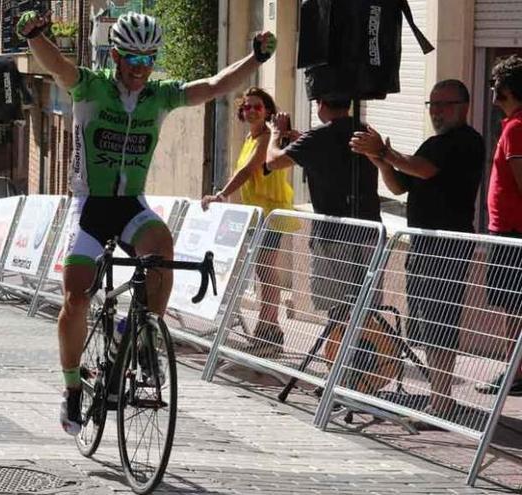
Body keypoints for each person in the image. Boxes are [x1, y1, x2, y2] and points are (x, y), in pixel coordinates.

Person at [16, 9, 277, 435]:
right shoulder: (91, 87)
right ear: (115, 56)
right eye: (133, 59)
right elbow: (58, 66)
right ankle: (71, 388)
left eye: (149, 59)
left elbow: (212, 87)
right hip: (90, 206)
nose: (141, 69)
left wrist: (256, 60)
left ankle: (141, 336)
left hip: (130, 205)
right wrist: (34, 36)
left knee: (162, 247)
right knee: (76, 299)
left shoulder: (159, 96)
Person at [350, 79, 485, 419]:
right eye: (432, 105)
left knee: (441, 322)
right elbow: (400, 185)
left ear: (464, 106)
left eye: (444, 104)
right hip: (421, 246)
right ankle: (439, 398)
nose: (437, 111)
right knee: (425, 323)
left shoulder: (466, 141)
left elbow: (421, 170)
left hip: (448, 247)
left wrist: (386, 152)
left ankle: (441, 400)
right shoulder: (432, 143)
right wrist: (381, 162)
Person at [264, 98, 381, 313]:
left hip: (333, 236)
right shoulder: (365, 132)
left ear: (321, 104)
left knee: (338, 311)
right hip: (370, 234)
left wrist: (275, 134)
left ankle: (345, 346)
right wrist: (302, 142)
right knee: (366, 310)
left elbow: (272, 161)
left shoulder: (318, 137)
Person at [201, 87, 293, 357]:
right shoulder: (251, 138)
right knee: (262, 272)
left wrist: (221, 194)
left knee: (266, 272)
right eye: (248, 107)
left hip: (272, 213)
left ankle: (269, 330)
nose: (252, 111)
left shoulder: (266, 138)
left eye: (258, 107)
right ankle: (266, 330)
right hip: (257, 215)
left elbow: (247, 170)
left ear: (268, 111)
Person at [478, 55, 522, 396]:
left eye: (496, 86)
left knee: (514, 306)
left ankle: (515, 372)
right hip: (508, 231)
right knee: (512, 305)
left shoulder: (517, 128)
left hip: (513, 233)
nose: (492, 93)